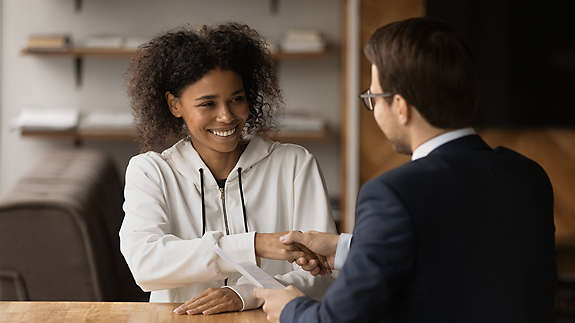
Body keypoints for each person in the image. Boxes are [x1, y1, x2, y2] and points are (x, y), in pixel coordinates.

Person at [254, 17, 556, 323]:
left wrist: (290, 307)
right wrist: (345, 247)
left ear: (400, 106)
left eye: (373, 98)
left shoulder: (393, 193)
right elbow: (454, 253)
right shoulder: (528, 176)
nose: (374, 109)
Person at [120, 23, 336, 315]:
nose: (226, 116)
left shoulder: (295, 165)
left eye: (236, 99)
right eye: (207, 103)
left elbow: (324, 275)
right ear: (174, 105)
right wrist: (254, 245)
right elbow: (145, 264)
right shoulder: (151, 172)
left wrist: (244, 294)